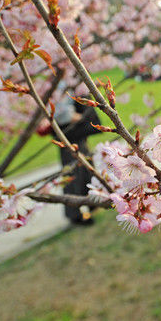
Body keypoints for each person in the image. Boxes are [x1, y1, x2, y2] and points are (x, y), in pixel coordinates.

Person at [51, 85, 102, 226]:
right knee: (72, 175)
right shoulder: (60, 86)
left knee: (86, 169)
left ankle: (92, 203)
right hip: (68, 135)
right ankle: (75, 214)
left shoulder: (77, 86)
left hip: (77, 135)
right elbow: (59, 113)